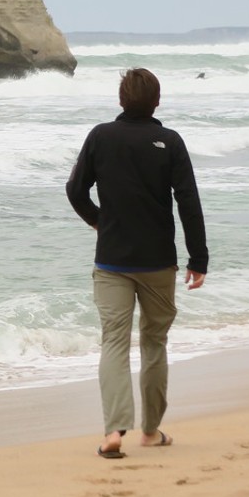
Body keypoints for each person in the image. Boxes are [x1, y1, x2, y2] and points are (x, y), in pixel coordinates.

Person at [66, 67, 208, 459]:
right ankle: (150, 431)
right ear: (157, 101)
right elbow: (189, 203)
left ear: (120, 100)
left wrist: (98, 220)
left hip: (112, 260)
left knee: (113, 342)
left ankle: (113, 431)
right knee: (154, 343)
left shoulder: (101, 136)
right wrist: (199, 258)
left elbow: (75, 189)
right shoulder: (169, 141)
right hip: (159, 262)